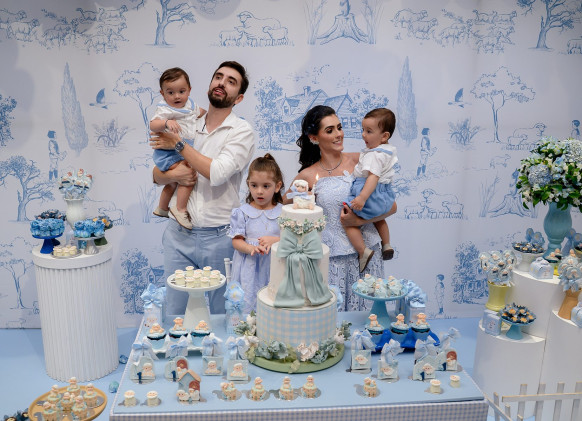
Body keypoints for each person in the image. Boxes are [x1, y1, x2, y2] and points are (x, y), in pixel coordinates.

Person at [151, 61, 255, 315]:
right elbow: (156, 175)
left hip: (219, 238)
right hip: (178, 236)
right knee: (175, 313)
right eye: (218, 77)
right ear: (209, 84)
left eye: (231, 81)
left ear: (239, 98)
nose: (222, 83)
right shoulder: (186, 120)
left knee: (223, 313)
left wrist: (178, 144)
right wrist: (176, 174)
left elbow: (216, 172)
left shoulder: (241, 131)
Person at [284, 105, 396, 311]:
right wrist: (305, 201)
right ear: (314, 138)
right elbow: (284, 208)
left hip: (368, 258)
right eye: (330, 130)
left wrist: (358, 221)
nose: (339, 134)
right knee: (334, 318)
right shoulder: (307, 175)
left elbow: (391, 206)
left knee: (369, 317)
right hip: (332, 261)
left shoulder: (363, 160)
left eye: (339, 127)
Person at [150, 67, 207, 229]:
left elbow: (202, 113)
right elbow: (153, 125)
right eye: (170, 92)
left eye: (182, 91)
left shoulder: (190, 105)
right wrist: (166, 123)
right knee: (187, 175)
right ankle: (180, 209)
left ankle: (162, 208)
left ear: (189, 90)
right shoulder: (165, 109)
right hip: (168, 153)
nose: (177, 96)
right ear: (162, 93)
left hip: (181, 150)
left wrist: (206, 115)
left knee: (172, 183)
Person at [229, 153, 283, 314]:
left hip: (274, 265)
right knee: (248, 298)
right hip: (249, 266)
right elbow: (236, 241)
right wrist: (250, 248)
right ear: (248, 184)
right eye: (254, 185)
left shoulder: (283, 212)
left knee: (272, 301)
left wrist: (275, 240)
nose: (259, 191)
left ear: (277, 186)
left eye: (266, 186)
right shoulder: (242, 212)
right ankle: (247, 323)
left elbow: (291, 239)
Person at [345, 108, 397, 272]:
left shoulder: (374, 155)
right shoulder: (387, 151)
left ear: (384, 136)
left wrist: (362, 197)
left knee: (347, 217)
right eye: (363, 130)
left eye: (369, 131)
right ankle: (386, 244)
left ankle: (363, 251)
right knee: (379, 218)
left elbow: (373, 178)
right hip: (384, 194)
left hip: (369, 192)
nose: (363, 135)